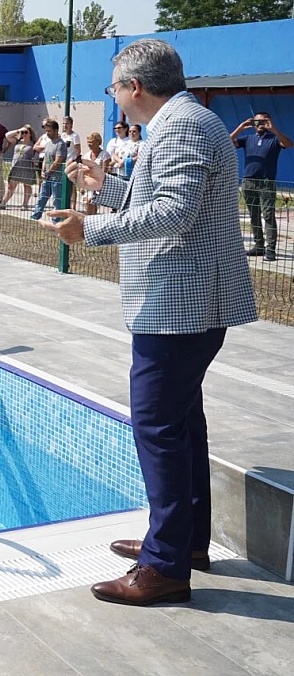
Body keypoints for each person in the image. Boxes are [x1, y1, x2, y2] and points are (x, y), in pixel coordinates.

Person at [43, 39, 257, 606]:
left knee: (158, 427)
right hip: (182, 302)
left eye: (114, 88)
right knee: (181, 424)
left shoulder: (181, 125)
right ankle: (182, 543)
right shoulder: (183, 120)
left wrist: (87, 229)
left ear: (134, 88)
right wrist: (105, 187)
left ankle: (165, 568)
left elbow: (175, 213)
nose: (113, 99)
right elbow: (160, 197)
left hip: (182, 305)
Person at [231, 111, 291, 261]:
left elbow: (289, 144)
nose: (260, 125)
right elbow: (227, 141)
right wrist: (240, 127)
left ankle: (270, 250)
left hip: (266, 183)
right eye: (256, 122)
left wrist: (274, 129)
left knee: (268, 215)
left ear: (269, 122)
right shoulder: (248, 138)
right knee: (254, 215)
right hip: (248, 182)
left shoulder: (274, 139)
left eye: (263, 122)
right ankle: (259, 246)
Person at [30, 119, 67, 220]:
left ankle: (57, 219)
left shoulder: (60, 144)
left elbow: (58, 161)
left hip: (57, 177)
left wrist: (48, 172)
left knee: (57, 200)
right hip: (47, 176)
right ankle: (35, 216)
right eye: (46, 131)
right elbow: (46, 158)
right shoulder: (48, 143)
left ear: (56, 130)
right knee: (42, 197)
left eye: (49, 131)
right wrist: (43, 171)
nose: (47, 133)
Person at [0, 125, 36, 210]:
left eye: (26, 132)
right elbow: (7, 135)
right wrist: (18, 130)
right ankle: (3, 203)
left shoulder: (33, 143)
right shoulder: (18, 141)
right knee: (10, 186)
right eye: (23, 132)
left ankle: (25, 205)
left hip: (27, 167)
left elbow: (38, 151)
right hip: (15, 166)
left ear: (30, 133)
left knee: (27, 185)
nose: (24, 134)